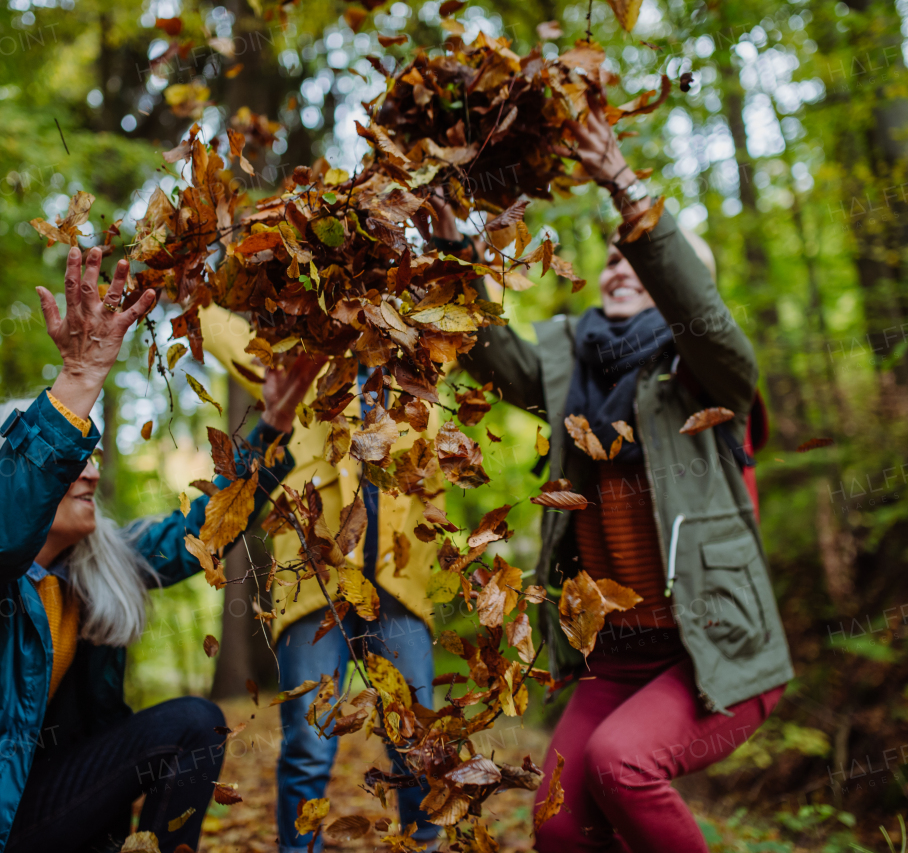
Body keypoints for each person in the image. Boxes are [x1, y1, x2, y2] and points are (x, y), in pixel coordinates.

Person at [0, 246, 322, 853]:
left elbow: (202, 533)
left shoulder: (88, 573)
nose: (85, 474)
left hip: (19, 819)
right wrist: (81, 377)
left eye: (86, 459)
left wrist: (269, 433)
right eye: (64, 462)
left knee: (192, 723)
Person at [438, 89, 793, 852]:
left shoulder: (707, 377)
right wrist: (454, 246)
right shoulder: (573, 362)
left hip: (713, 650)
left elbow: (707, 323)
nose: (621, 265)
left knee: (621, 764)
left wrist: (627, 190)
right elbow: (496, 358)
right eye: (612, 256)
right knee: (558, 825)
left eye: (642, 257)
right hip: (616, 658)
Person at [198, 305, 443, 852]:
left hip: (398, 585)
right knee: (308, 743)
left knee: (419, 740)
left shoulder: (419, 365)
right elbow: (227, 335)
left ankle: (423, 845)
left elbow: (471, 305)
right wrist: (184, 283)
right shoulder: (304, 363)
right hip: (314, 584)